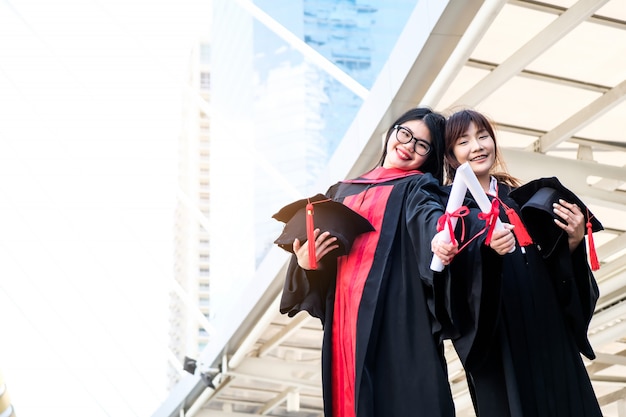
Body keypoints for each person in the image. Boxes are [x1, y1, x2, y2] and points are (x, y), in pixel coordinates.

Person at [277, 107, 474, 417]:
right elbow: (318, 262)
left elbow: (432, 222)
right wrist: (307, 263)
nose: (408, 146)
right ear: (390, 134)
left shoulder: (418, 188)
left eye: (422, 145)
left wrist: (440, 238)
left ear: (429, 156)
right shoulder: (340, 192)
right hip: (345, 320)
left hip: (399, 316)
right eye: (405, 134)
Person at [444, 108, 602, 417]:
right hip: (500, 335)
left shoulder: (521, 199)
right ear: (450, 154)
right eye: (463, 141)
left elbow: (555, 271)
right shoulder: (450, 211)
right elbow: (453, 285)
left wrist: (571, 242)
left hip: (548, 328)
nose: (477, 146)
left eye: (483, 136)